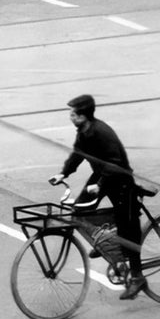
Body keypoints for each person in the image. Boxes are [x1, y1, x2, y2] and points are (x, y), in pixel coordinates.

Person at [48, 93, 147, 298]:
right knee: (80, 210)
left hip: (119, 180)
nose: (70, 117)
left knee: (128, 228)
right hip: (102, 176)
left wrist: (100, 184)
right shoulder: (84, 131)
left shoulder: (101, 132)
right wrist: (63, 173)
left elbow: (115, 162)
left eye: (73, 114)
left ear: (83, 116)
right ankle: (104, 244)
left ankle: (137, 277)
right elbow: (77, 154)